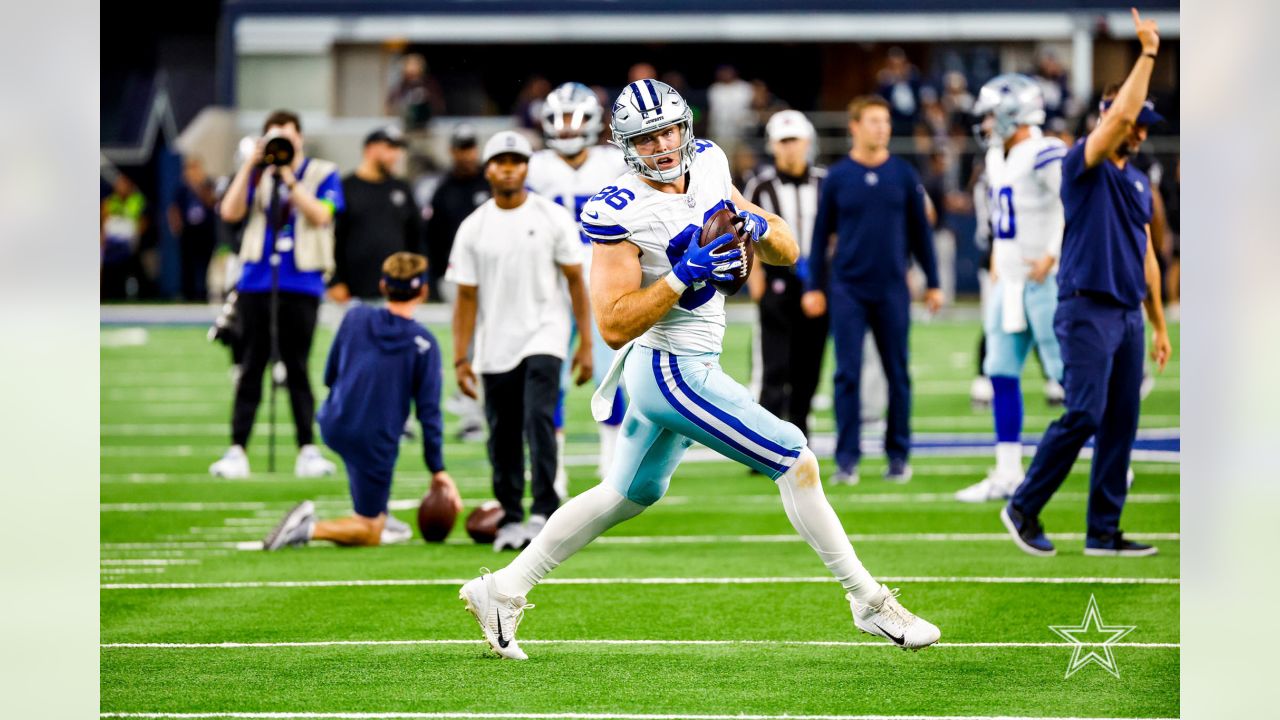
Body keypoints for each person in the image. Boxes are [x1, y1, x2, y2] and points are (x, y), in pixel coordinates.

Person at [458, 79, 940, 661]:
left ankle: (504, 587)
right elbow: (612, 324)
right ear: (625, 144)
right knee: (796, 458)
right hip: (669, 369)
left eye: (668, 130)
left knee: (627, 493)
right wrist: (681, 276)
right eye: (646, 136)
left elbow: (786, 247)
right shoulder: (619, 207)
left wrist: (758, 229)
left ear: (685, 126)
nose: (662, 145)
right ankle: (867, 598)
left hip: (692, 360)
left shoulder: (709, 163)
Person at [1000, 9, 1172, 558]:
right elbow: (1117, 121)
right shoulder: (1084, 165)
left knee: (1121, 422)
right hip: (1085, 308)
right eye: (1134, 121)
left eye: (1146, 124)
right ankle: (1023, 505)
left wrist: (1158, 323)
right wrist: (1146, 53)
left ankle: (1103, 530)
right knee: (1084, 413)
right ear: (1110, 119)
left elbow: (1145, 254)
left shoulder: (1139, 182)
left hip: (1125, 313)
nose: (1140, 131)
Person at [447, 130, 594, 553]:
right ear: (488, 169)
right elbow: (466, 297)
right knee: (502, 432)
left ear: (527, 168)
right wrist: (460, 359)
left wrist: (584, 344)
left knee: (539, 419)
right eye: (500, 161)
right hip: (494, 346)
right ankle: (511, 516)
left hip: (545, 336)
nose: (509, 168)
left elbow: (575, 283)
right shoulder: (473, 228)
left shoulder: (551, 217)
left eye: (517, 160)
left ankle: (545, 511)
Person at [262, 252, 463, 549]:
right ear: (423, 291)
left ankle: (377, 507)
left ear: (383, 286)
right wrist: (438, 470)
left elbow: (330, 375)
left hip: (333, 421)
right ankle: (308, 528)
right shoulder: (424, 343)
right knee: (370, 531)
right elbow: (429, 414)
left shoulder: (355, 316)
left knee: (370, 490)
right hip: (372, 440)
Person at [802, 96, 943, 486]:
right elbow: (820, 235)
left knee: (898, 373)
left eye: (885, 121)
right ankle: (847, 459)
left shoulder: (902, 174)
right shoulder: (838, 177)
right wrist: (815, 286)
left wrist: (933, 282)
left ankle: (898, 455)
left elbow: (921, 235)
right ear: (855, 126)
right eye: (874, 121)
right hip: (847, 288)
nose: (882, 128)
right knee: (846, 374)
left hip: (892, 289)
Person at [209, 109, 344, 479]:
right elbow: (230, 211)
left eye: (286, 137)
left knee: (298, 366)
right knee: (251, 365)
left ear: (300, 138)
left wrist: (289, 178)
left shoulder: (323, 173)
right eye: (273, 138)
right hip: (256, 278)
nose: (281, 145)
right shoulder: (256, 174)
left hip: (302, 280)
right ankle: (237, 449)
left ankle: (307, 449)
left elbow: (321, 214)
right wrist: (250, 167)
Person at [954, 74, 1068, 503]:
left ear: (1011, 112)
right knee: (1000, 372)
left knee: (1069, 378)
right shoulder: (1001, 156)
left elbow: (1073, 205)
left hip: (1045, 280)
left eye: (989, 115)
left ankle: (1115, 464)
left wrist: (1054, 254)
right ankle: (1007, 471)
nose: (984, 124)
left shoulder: (1045, 152)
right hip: (1011, 282)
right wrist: (1001, 265)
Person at [526, 81, 630, 494]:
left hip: (601, 279)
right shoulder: (535, 166)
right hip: (551, 282)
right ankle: (553, 467)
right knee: (550, 372)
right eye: (561, 120)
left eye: (575, 119)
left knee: (610, 373)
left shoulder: (614, 162)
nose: (567, 129)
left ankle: (612, 459)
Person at [744, 110, 828, 441]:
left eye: (794, 140)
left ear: (808, 142)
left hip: (817, 282)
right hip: (776, 280)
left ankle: (799, 434)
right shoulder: (760, 186)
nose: (790, 148)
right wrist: (755, 281)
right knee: (773, 364)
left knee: (810, 363)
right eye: (783, 142)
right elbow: (744, 236)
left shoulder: (825, 181)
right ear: (773, 145)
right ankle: (764, 442)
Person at [329, 127, 421, 302]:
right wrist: (334, 281)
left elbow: (416, 237)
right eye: (390, 148)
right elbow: (331, 237)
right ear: (370, 149)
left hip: (398, 292)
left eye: (398, 149)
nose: (396, 155)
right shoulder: (346, 188)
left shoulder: (401, 188)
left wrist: (419, 277)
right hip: (353, 293)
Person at [424, 124, 489, 302]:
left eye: (470, 148)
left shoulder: (491, 183)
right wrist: (433, 278)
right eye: (462, 149)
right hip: (456, 273)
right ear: (452, 151)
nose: (467, 155)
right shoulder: (443, 191)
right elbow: (433, 239)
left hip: (491, 268)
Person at [169, 156, 218, 302]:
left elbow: (211, 202)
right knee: (187, 263)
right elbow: (174, 208)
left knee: (205, 264)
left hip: (205, 230)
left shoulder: (207, 184)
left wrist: (198, 186)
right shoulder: (182, 188)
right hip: (189, 231)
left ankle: (203, 293)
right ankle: (187, 294)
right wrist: (176, 225)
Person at [100, 173, 147, 300]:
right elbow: (104, 222)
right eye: (119, 183)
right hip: (112, 245)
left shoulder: (137, 200)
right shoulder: (109, 201)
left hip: (130, 245)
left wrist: (133, 235)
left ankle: (134, 294)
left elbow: (143, 223)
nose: (121, 187)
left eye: (124, 183)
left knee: (133, 267)